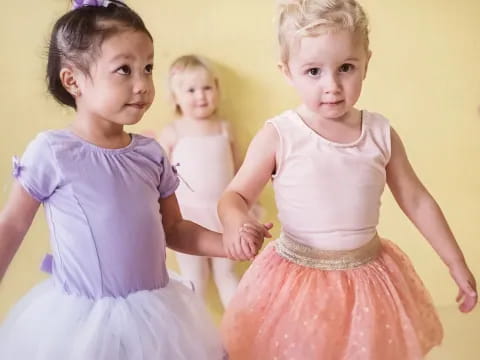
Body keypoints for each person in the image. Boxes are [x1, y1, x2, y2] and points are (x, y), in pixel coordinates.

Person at [218, 0, 478, 359]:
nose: (332, 86)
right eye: (313, 71)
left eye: (346, 68)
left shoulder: (379, 132)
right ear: (287, 71)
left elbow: (417, 200)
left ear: (366, 63)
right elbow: (235, 195)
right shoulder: (280, 135)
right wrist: (235, 223)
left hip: (367, 281)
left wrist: (455, 261)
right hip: (297, 282)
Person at [0, 1, 256, 358]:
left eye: (148, 68)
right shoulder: (53, 152)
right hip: (83, 323)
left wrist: (227, 243)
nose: (142, 85)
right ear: (73, 80)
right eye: (124, 70)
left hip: (156, 318)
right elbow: (11, 226)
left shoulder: (150, 154)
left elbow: (175, 229)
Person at [156, 55, 244, 307]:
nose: (201, 96)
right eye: (191, 90)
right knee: (194, 277)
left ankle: (239, 332)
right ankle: (193, 333)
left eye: (207, 88)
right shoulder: (174, 132)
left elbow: (239, 169)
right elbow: (158, 177)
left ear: (217, 88)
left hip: (222, 215)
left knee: (227, 273)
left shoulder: (224, 129)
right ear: (175, 97)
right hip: (186, 217)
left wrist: (244, 204)